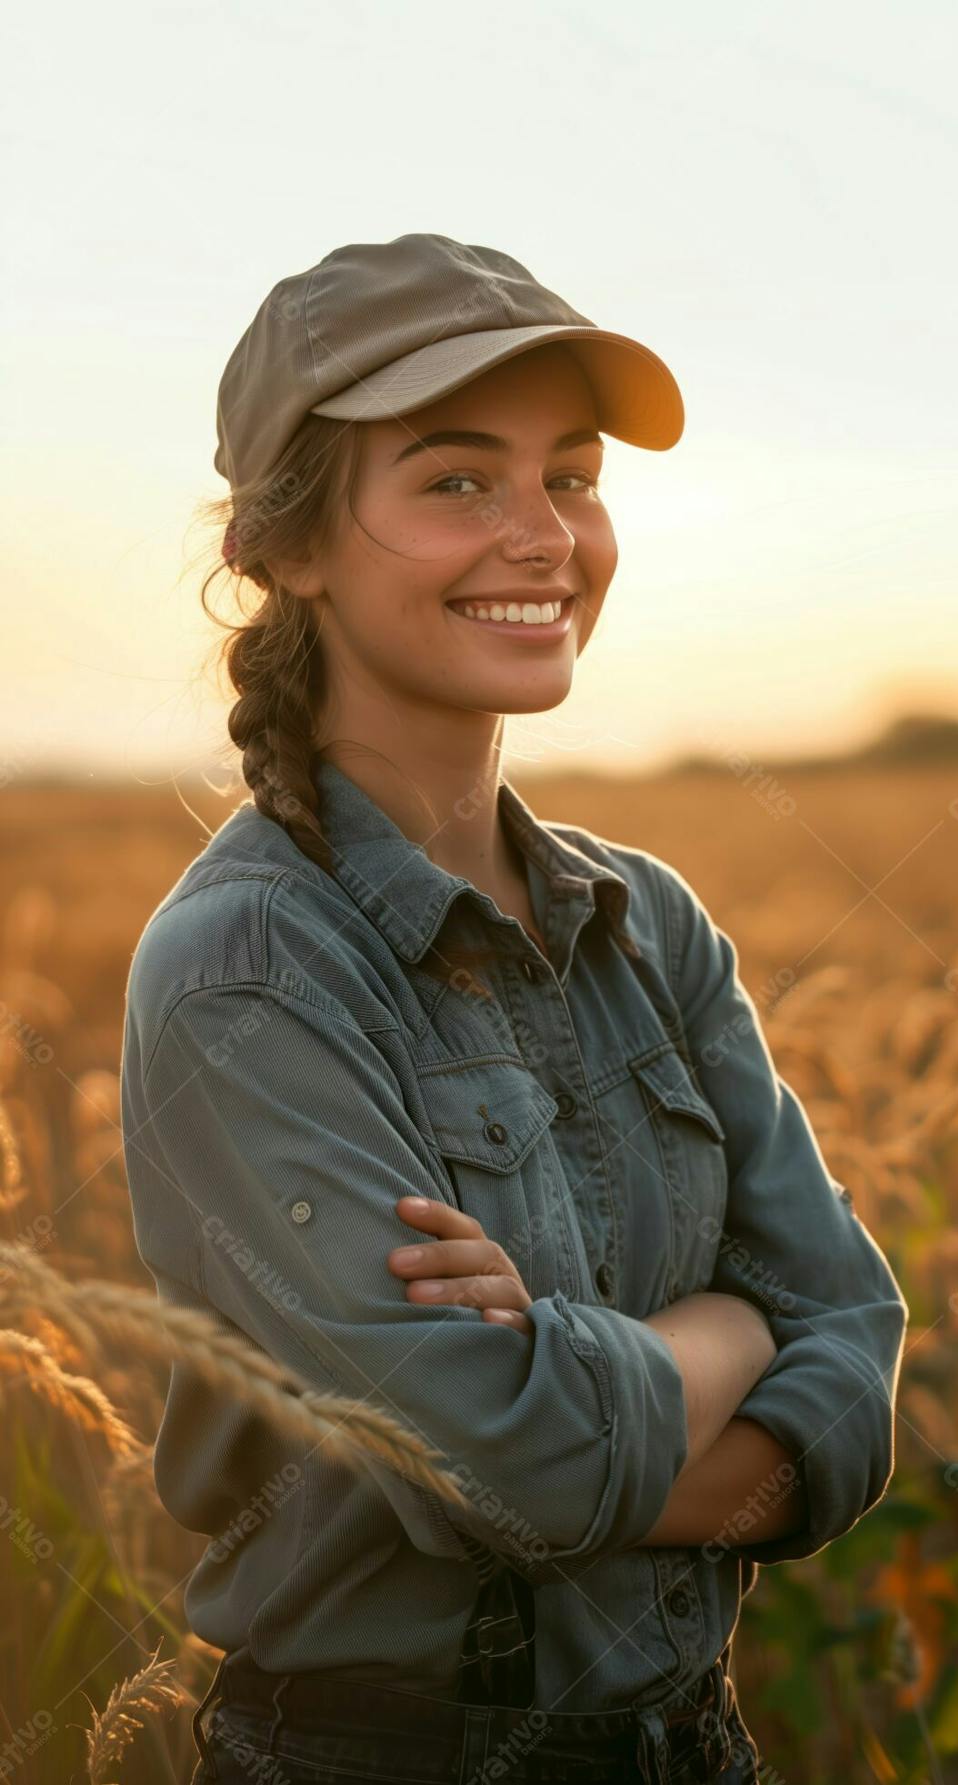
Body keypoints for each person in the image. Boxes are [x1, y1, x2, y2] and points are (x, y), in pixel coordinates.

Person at [120, 234, 909, 1784]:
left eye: (575, 476)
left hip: (692, 1746)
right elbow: (508, 1470)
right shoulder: (249, 969)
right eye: (459, 481)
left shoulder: (650, 925)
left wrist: (589, 1372)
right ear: (290, 547)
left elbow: (861, 1344)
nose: (545, 536)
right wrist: (728, 1330)